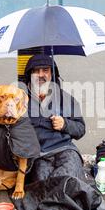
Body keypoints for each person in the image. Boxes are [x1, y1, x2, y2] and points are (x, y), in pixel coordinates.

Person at [23, 54, 86, 183]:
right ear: (30, 75)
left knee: (68, 177)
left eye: (45, 70)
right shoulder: (21, 101)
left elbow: (80, 129)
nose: (41, 75)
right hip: (38, 155)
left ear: (52, 73)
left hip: (65, 150)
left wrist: (65, 124)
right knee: (42, 181)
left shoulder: (66, 99)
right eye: (36, 71)